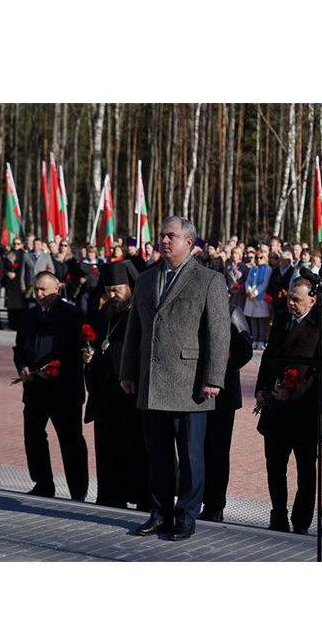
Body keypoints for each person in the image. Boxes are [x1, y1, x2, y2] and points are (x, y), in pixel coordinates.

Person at [119, 216, 230, 541]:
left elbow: (218, 333)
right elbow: (134, 329)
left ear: (189, 243)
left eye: (172, 236)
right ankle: (159, 514)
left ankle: (186, 516)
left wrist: (213, 378)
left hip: (190, 383)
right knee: (158, 456)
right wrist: (128, 372)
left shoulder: (208, 280)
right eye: (162, 235)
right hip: (152, 381)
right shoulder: (146, 279)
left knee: (192, 458)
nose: (164, 241)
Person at [256, 277, 322, 534]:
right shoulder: (282, 319)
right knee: (275, 468)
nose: (290, 303)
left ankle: (301, 521)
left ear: (312, 300)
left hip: (303, 410)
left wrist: (293, 393)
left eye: (296, 299)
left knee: (306, 471)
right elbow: (268, 358)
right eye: (289, 298)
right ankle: (278, 516)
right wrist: (261, 389)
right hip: (275, 409)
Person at [13, 271, 90, 500]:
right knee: (33, 438)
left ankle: (78, 490)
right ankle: (43, 484)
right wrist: (22, 367)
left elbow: (80, 351)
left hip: (64, 391)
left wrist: (58, 368)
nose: (39, 294)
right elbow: (19, 348)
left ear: (57, 288)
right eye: (35, 289)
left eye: (43, 289)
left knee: (71, 441)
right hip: (35, 389)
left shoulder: (73, 315)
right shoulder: (29, 316)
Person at [82, 261, 151, 511]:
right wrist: (89, 355)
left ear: (130, 287)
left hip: (131, 392)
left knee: (136, 445)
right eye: (108, 290)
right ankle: (112, 495)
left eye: (116, 290)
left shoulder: (141, 311)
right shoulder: (105, 312)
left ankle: (144, 497)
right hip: (106, 391)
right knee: (109, 445)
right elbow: (100, 341)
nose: (111, 295)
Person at [201, 303, 254, 522]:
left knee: (217, 453)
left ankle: (214, 505)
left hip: (222, 396)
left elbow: (245, 351)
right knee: (197, 451)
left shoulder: (232, 311)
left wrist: (215, 372)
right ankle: (197, 499)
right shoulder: (198, 306)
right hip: (196, 393)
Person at [243, 251, 272, 349]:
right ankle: (254, 340)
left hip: (260, 297)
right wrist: (248, 290)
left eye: (261, 258)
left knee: (261, 321)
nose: (258, 260)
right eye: (257, 258)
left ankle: (261, 341)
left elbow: (265, 283)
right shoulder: (253, 268)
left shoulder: (267, 269)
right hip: (251, 297)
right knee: (253, 320)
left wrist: (254, 293)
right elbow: (247, 282)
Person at [3, 236, 27, 331]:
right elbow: (4, 267)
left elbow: (25, 269)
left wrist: (16, 274)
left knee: (19, 304)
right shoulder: (8, 254)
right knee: (10, 303)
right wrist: (7, 273)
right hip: (10, 282)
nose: (16, 245)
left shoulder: (24, 255)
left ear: (21, 245)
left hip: (19, 281)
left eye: (18, 244)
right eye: (14, 243)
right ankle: (11, 323)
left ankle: (18, 324)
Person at [224, 246, 249, 310]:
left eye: (236, 253)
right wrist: (227, 291)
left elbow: (247, 280)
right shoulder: (227, 267)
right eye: (232, 253)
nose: (234, 255)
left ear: (239, 255)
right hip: (230, 294)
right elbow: (224, 280)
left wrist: (240, 288)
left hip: (240, 294)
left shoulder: (244, 267)